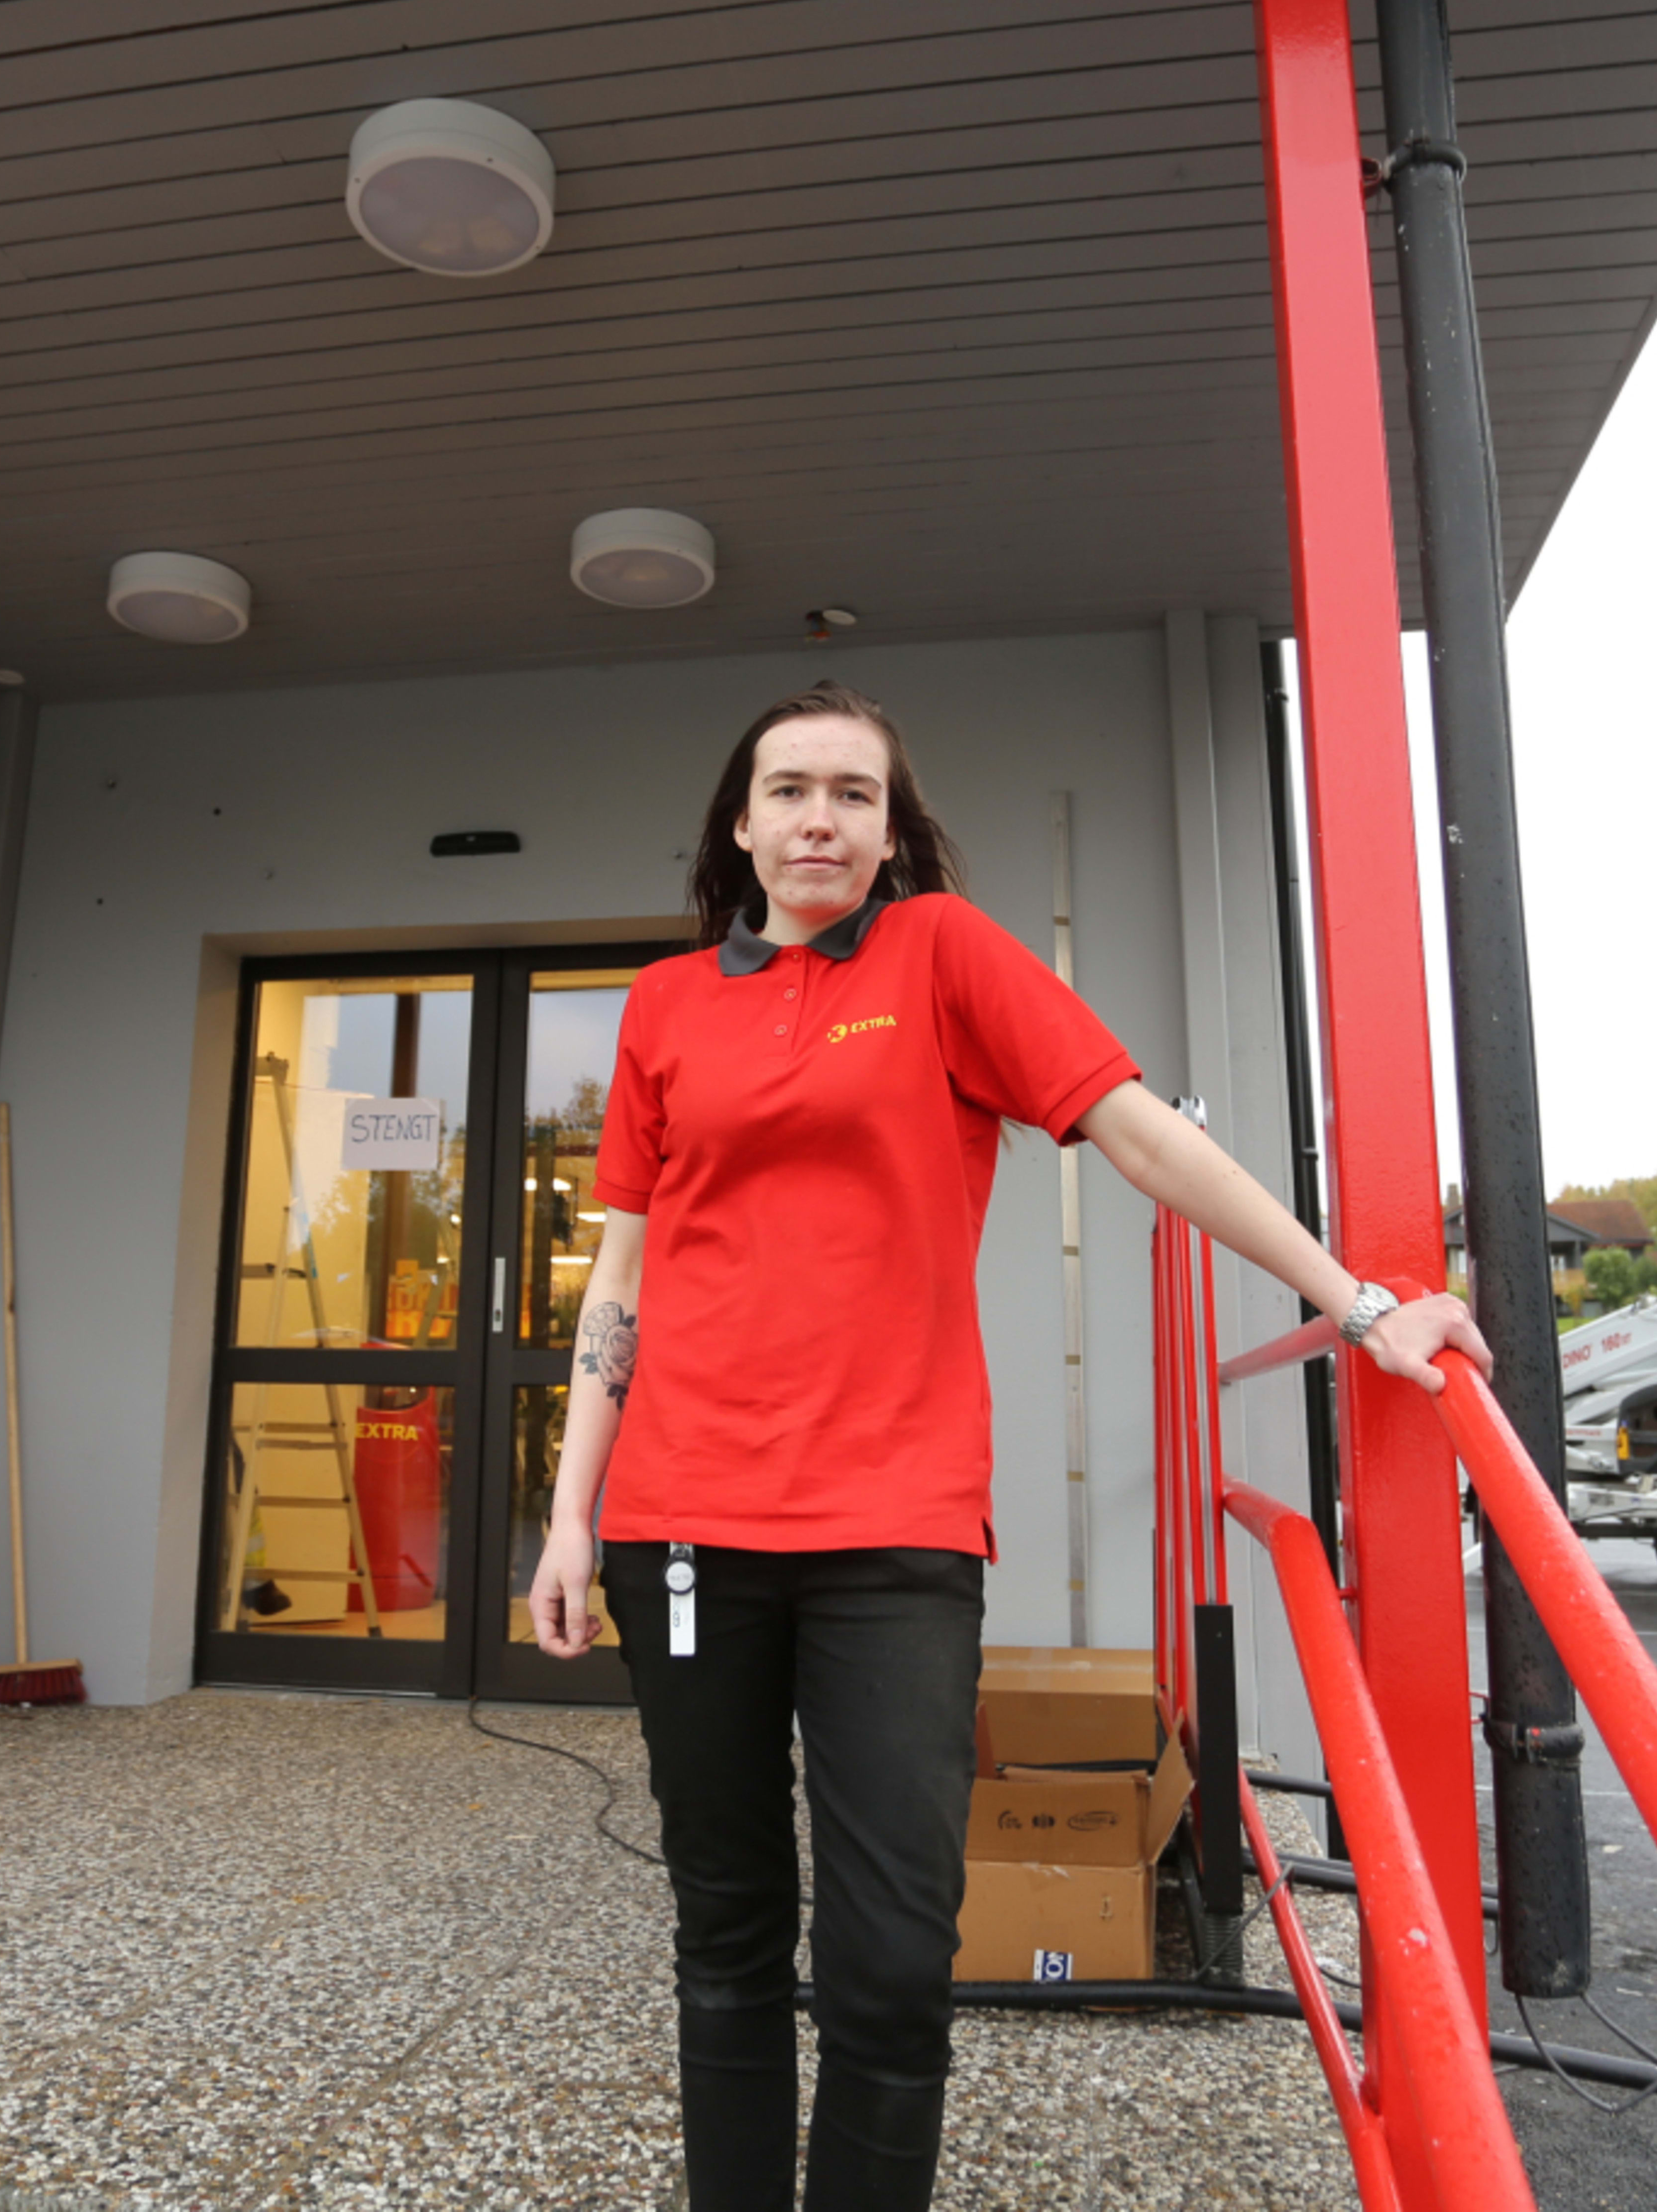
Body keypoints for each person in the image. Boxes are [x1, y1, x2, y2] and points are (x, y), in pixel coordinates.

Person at [527, 682, 1486, 2212]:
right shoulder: (664, 1003)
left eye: (854, 793)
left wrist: (1357, 1302)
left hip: (892, 1531)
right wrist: (571, 1514)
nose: (820, 818)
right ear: (741, 825)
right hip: (681, 1524)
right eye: (790, 790)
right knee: (725, 1927)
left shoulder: (941, 955)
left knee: (894, 1953)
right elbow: (619, 1282)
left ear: (890, 829)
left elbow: (1140, 1131)